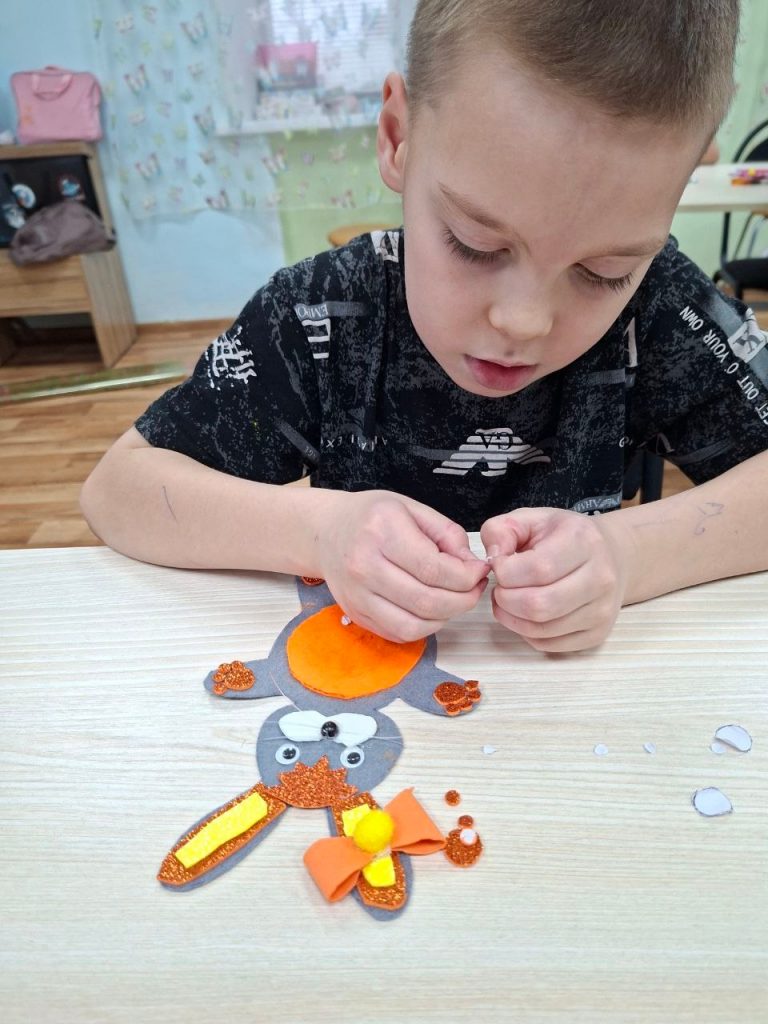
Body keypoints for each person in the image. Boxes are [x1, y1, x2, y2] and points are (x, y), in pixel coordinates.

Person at [81, 0, 768, 654]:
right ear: (398, 138)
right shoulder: (325, 314)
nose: (522, 322)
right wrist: (322, 532)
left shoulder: (663, 309)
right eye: (476, 244)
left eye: (603, 272)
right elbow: (117, 492)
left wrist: (630, 553)